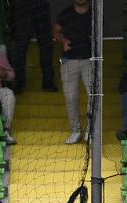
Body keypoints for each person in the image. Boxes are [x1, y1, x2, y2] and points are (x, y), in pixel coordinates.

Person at [54, 0, 93, 144]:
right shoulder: (65, 13)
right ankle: (76, 131)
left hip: (89, 60)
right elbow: (56, 31)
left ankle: (91, 131)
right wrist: (63, 41)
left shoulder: (94, 14)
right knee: (71, 97)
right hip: (69, 60)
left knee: (93, 96)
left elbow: (99, 33)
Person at [9, 0, 56, 93]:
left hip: (37, 6)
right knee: (21, 48)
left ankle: (47, 82)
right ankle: (19, 84)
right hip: (23, 6)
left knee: (45, 45)